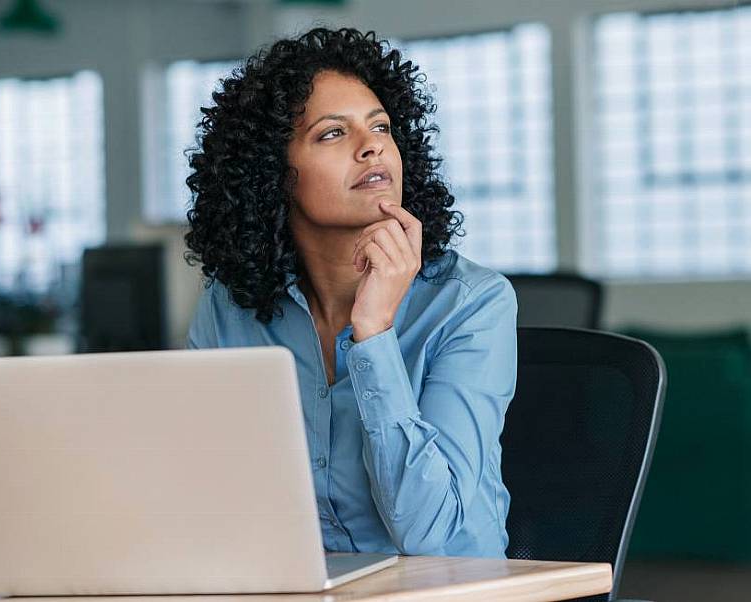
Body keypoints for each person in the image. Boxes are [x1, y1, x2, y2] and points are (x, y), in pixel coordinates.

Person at [183, 27, 517, 559]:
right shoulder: (230, 308)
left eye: (381, 126)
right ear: (272, 175)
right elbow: (200, 493)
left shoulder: (471, 302)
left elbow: (433, 536)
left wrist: (375, 332)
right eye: (333, 134)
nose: (373, 146)